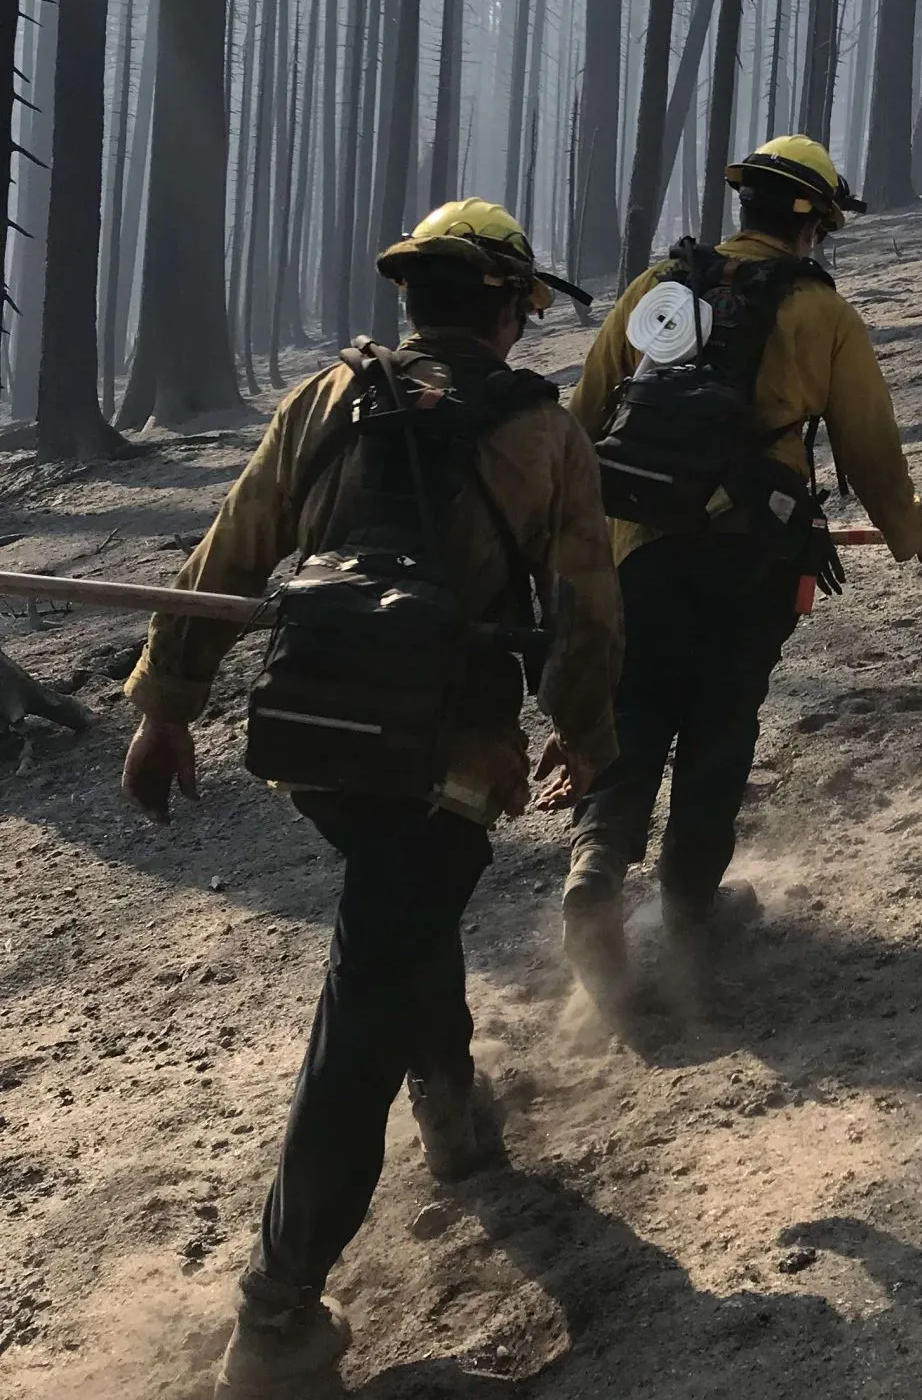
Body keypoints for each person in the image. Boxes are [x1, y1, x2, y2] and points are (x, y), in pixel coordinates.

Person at [119, 200, 623, 1399]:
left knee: (403, 926)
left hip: (315, 749)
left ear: (414, 302)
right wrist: (586, 737)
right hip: (445, 763)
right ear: (506, 307)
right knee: (362, 1015)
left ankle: (452, 1112)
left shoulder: (325, 398)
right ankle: (278, 1310)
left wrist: (167, 705)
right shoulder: (547, 433)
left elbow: (227, 555)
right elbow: (589, 611)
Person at [557, 135, 922, 1002]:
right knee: (719, 729)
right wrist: (916, 537)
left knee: (634, 711)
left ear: (746, 208)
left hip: (638, 552)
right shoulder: (824, 315)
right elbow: (872, 454)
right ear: (815, 224)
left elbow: (582, 419)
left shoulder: (654, 291)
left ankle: (595, 864)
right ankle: (689, 912)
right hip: (752, 561)